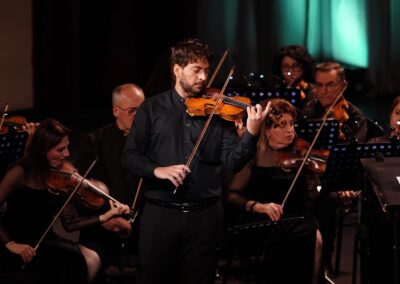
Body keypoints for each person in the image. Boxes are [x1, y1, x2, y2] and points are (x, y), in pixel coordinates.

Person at [121, 37, 269, 284]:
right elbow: (129, 158)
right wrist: (159, 170)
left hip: (206, 217)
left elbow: (233, 163)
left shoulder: (220, 111)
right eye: (196, 70)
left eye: (206, 71)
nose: (203, 77)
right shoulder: (151, 108)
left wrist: (252, 133)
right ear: (177, 70)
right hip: (161, 216)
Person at [0, 118, 129, 284]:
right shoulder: (20, 172)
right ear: (42, 150)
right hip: (17, 242)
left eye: (67, 147)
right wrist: (10, 244)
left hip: (45, 240)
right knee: (74, 260)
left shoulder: (60, 178)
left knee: (90, 256)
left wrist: (105, 217)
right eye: (60, 149)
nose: (67, 154)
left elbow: (70, 223)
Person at [226, 98, 322, 284]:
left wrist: (318, 184)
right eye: (281, 125)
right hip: (263, 220)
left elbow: (313, 194)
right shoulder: (252, 155)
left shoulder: (300, 151)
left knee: (314, 237)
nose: (290, 130)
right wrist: (258, 206)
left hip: (297, 217)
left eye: (292, 124)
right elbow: (231, 195)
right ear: (267, 130)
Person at [302, 61, 367, 277]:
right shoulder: (309, 110)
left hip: (336, 180)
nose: (323, 91)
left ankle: (323, 262)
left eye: (330, 85)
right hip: (309, 175)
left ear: (343, 85)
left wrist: (340, 183)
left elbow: (352, 157)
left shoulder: (354, 117)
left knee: (325, 201)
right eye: (318, 85)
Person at [72, 83, 145, 275]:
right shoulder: (94, 140)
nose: (141, 117)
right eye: (133, 111)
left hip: (145, 228)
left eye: (143, 110)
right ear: (116, 110)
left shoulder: (153, 140)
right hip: (102, 226)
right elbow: (76, 186)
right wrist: (104, 218)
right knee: (85, 265)